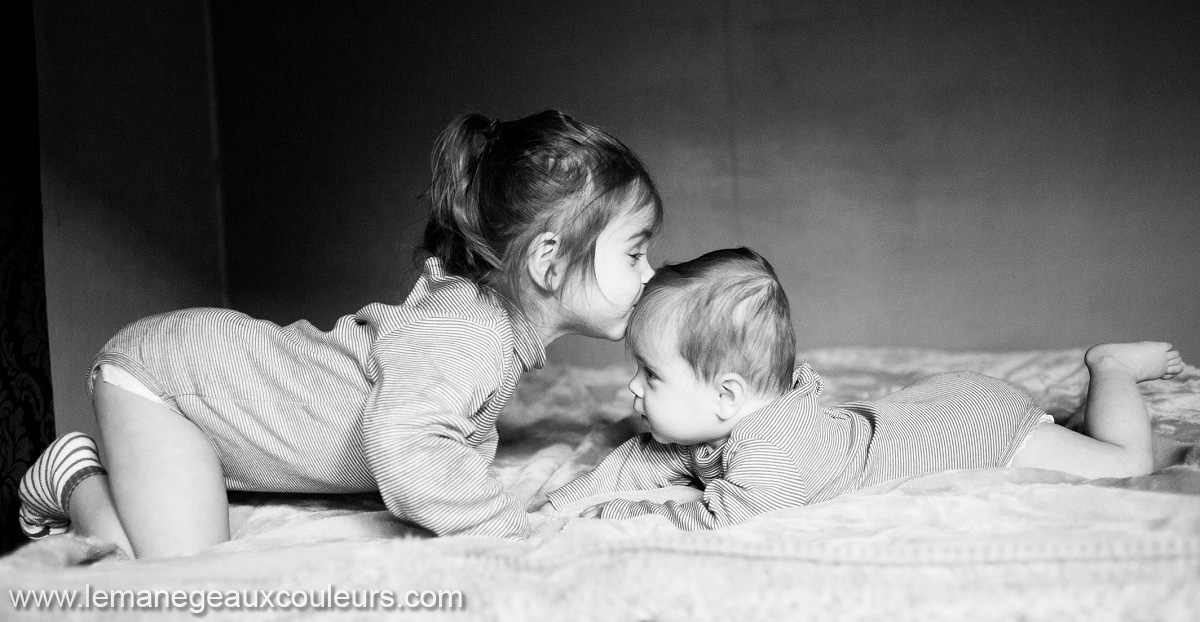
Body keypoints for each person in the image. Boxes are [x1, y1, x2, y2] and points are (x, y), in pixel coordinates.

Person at [19, 110, 662, 557]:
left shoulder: (478, 325)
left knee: (160, 549)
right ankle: (72, 476)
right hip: (165, 380)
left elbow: (436, 418)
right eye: (634, 252)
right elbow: (405, 452)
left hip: (204, 388)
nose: (650, 272)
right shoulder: (473, 336)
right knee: (180, 574)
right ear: (549, 263)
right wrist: (510, 534)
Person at [545, 247, 1185, 530]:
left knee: (1124, 465)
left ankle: (1112, 368)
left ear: (729, 396)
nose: (631, 386)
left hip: (971, 433)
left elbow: (713, 519)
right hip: (930, 405)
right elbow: (643, 459)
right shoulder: (718, 420)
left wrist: (616, 513)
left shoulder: (771, 456)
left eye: (651, 374)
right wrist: (557, 507)